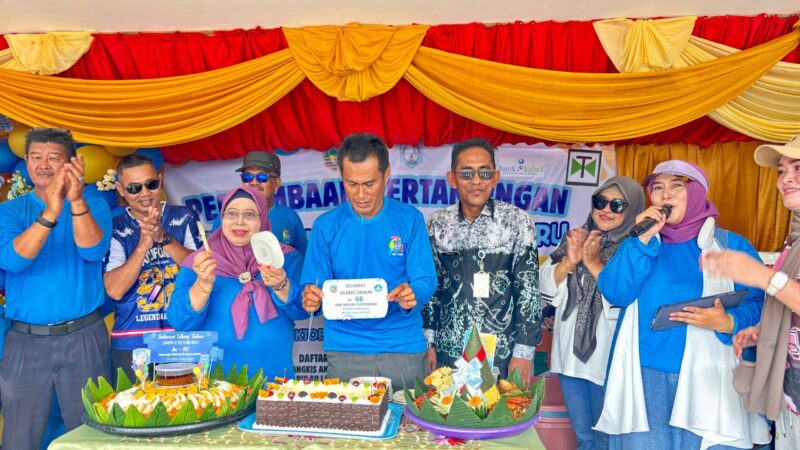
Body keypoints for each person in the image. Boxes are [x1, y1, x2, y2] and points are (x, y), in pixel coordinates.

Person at [595, 160, 769, 449]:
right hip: (645, 376)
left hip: (710, 376)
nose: (666, 194)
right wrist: (639, 241)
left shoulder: (730, 246)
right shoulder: (642, 241)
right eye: (658, 188)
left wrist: (729, 322)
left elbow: (762, 304)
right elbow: (615, 292)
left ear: (698, 193)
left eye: (677, 186)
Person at [0, 127, 112, 450]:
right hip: (26, 341)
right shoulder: (10, 210)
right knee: (19, 438)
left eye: (53, 157)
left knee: (93, 436)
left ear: (71, 163)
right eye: (36, 157)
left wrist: (74, 200)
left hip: (84, 336)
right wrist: (50, 211)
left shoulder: (93, 205)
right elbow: (13, 260)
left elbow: (93, 250)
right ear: (26, 161)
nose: (44, 164)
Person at [300, 133, 437, 389]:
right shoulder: (324, 226)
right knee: (348, 413)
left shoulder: (410, 219)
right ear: (341, 176)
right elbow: (312, 284)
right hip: (345, 348)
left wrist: (413, 293)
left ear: (387, 175)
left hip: (402, 346)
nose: (361, 194)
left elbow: (425, 279)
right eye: (352, 184)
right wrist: (311, 298)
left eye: (370, 183)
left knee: (409, 415)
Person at [703, 136, 800, 449]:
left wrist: (760, 275)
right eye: (781, 171)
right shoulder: (795, 240)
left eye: (798, 168)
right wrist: (765, 331)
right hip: (791, 397)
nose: (786, 179)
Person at [423, 138, 542, 383]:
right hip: (449, 353)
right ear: (452, 178)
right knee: (447, 409)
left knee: (499, 410)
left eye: (484, 172)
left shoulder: (517, 223)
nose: (476, 180)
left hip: (502, 354)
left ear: (495, 177)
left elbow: (528, 292)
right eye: (467, 173)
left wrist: (523, 353)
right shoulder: (438, 224)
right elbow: (432, 290)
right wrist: (429, 344)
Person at [540, 176, 645, 450]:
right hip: (570, 359)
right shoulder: (576, 239)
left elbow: (624, 296)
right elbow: (544, 286)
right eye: (600, 202)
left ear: (632, 209)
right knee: (584, 438)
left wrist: (594, 263)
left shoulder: (636, 249)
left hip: (609, 360)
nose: (606, 210)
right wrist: (569, 261)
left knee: (609, 440)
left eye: (617, 205)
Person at [168, 186, 307, 377]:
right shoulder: (200, 262)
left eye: (249, 214)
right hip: (216, 379)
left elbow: (302, 311)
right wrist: (203, 284)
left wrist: (280, 285)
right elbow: (180, 322)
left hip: (274, 373)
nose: (239, 221)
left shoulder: (284, 258)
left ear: (262, 219)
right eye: (232, 213)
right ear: (222, 218)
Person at [103, 154, 202, 383]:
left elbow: (203, 270)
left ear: (160, 179)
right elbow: (115, 290)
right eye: (134, 188)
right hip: (133, 340)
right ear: (121, 189)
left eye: (151, 184)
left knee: (188, 404)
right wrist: (143, 245)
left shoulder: (184, 217)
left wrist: (162, 237)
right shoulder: (115, 228)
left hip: (182, 338)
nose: (145, 193)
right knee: (136, 406)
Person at [211, 151, 307, 256]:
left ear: (276, 183)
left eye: (262, 177)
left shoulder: (290, 217)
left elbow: (303, 259)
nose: (254, 182)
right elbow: (216, 258)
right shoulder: (225, 219)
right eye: (247, 177)